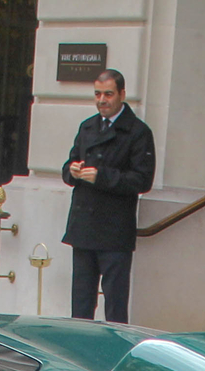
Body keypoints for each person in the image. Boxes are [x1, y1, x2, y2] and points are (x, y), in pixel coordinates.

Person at [62, 68, 154, 323]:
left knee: (114, 304)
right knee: (80, 303)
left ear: (122, 94)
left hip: (113, 231)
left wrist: (101, 177)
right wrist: (72, 171)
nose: (102, 100)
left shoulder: (138, 132)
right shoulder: (87, 126)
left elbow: (142, 180)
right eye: (98, 94)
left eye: (108, 94)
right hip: (83, 227)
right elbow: (69, 165)